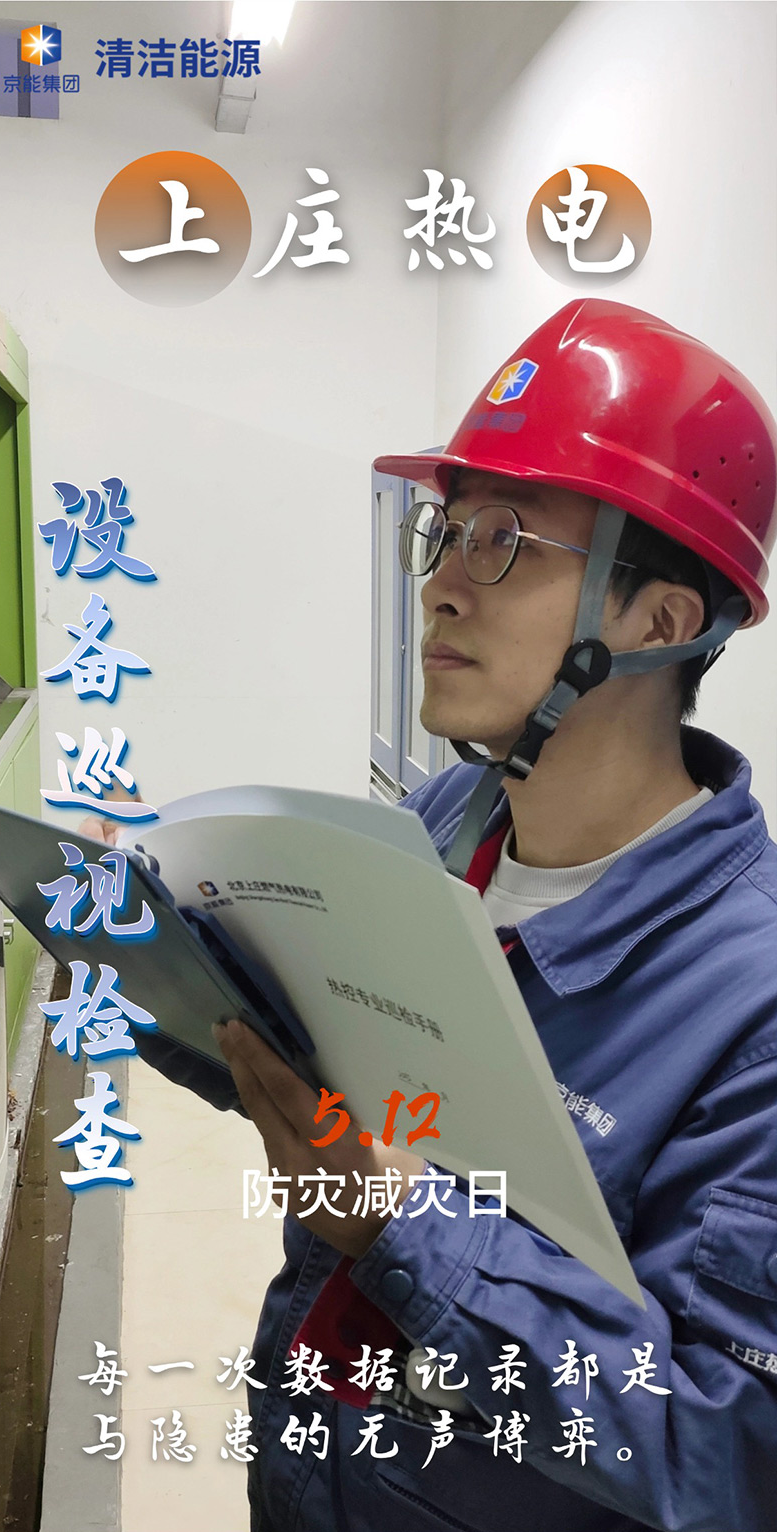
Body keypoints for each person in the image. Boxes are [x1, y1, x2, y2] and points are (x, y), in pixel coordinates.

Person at [86, 299, 777, 1530]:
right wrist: (140, 943)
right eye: (444, 532)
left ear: (661, 620)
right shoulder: (451, 818)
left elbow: (724, 1448)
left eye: (503, 541)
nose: (440, 587)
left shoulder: (750, 1005)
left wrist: (403, 1223)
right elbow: (312, 1076)